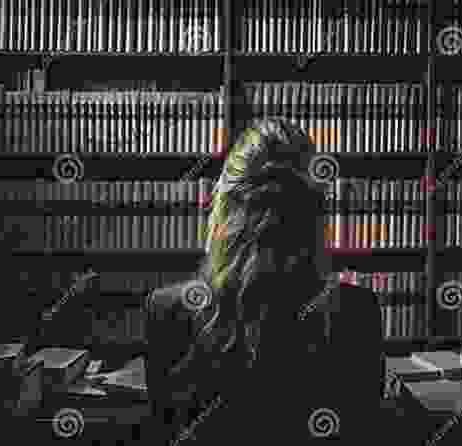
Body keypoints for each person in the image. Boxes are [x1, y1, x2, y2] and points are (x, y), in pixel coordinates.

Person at [143, 117, 383, 445]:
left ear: (223, 205)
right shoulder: (357, 313)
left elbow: (163, 432)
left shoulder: (166, 310)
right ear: (316, 213)